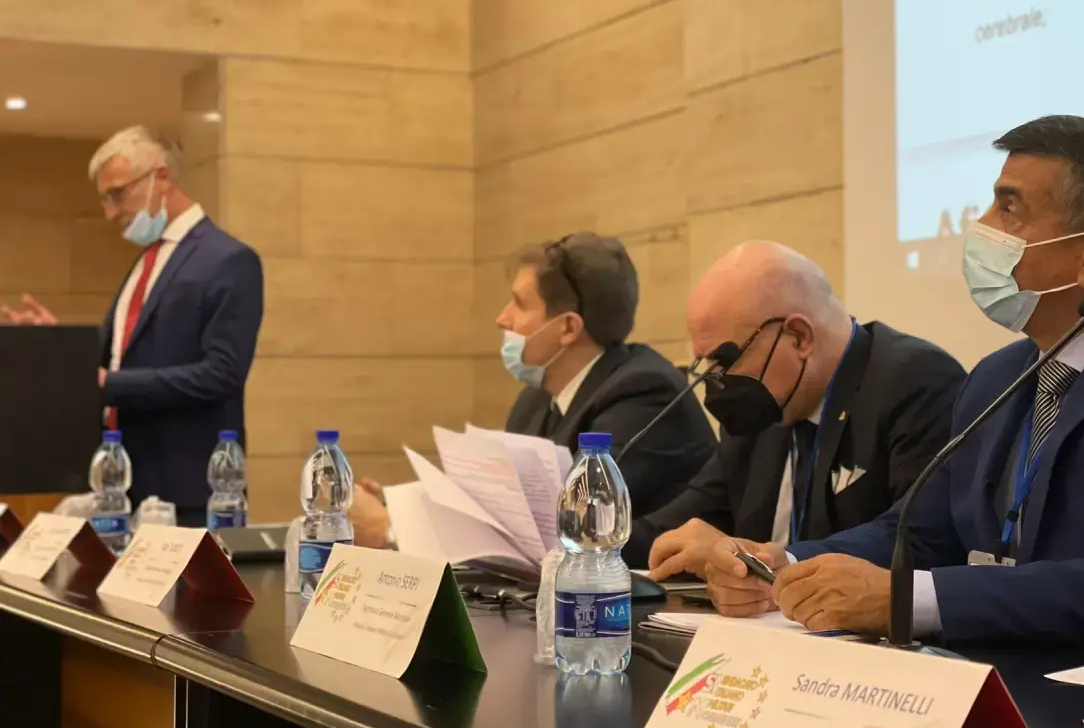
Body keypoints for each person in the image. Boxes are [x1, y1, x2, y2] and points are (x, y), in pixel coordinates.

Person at [669, 115, 1084, 649]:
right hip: (1043, 688)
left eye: (1008, 210)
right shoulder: (1000, 374)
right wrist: (781, 566)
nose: (980, 228)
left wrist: (908, 600)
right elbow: (920, 533)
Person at [350, 233, 716, 548]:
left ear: (567, 328)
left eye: (520, 304)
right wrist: (403, 506)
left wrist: (393, 530)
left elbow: (568, 529)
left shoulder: (643, 394)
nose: (502, 318)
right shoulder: (537, 398)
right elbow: (499, 507)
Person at [634, 242, 965, 569]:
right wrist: (604, 538)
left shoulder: (915, 381)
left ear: (799, 337)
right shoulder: (758, 416)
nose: (716, 381)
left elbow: (918, 537)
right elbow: (680, 527)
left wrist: (779, 563)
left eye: (724, 361)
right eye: (705, 364)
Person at [3, 127, 263, 527]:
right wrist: (62, 347)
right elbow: (126, 353)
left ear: (162, 177)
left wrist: (108, 383)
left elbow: (222, 374)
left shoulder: (228, 260)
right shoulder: (146, 261)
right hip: (123, 486)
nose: (110, 213)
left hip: (189, 493)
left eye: (117, 194)